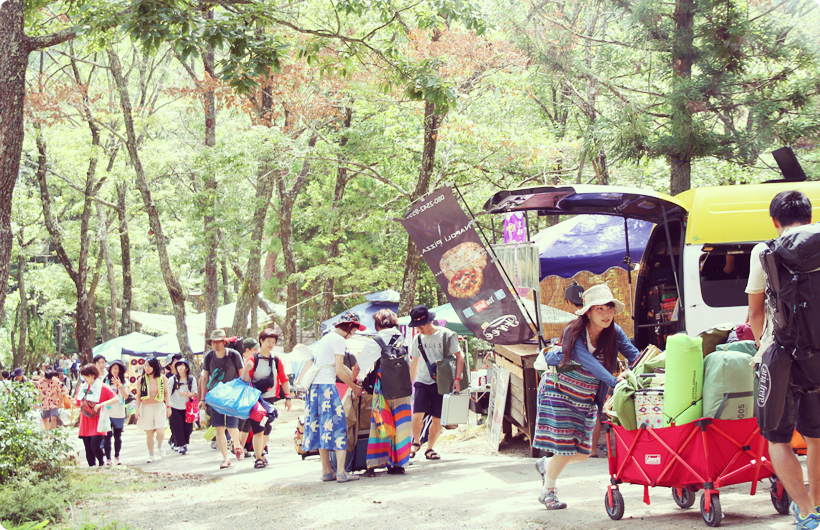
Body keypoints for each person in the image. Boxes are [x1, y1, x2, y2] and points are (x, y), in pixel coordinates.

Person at [746, 190, 820, 529]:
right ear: (809, 216)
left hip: (784, 353)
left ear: (774, 221)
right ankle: (818, 505)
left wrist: (762, 348)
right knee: (817, 435)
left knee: (777, 435)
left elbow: (756, 312)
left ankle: (806, 512)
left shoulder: (764, 251)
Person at [534, 284, 639, 510]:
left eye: (609, 308)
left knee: (582, 453)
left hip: (585, 398)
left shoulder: (615, 332)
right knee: (564, 448)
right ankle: (547, 492)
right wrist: (613, 380)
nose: (605, 314)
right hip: (559, 392)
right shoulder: (573, 332)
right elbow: (589, 363)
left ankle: (546, 465)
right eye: (599, 309)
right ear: (588, 312)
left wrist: (653, 366)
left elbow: (634, 355)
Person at [302, 310, 364, 483]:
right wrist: (354, 388)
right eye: (355, 329)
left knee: (323, 428)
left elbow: (338, 367)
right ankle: (342, 472)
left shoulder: (328, 337)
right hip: (327, 387)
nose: (355, 333)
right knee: (338, 426)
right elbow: (338, 370)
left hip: (315, 388)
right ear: (350, 326)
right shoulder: (339, 340)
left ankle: (327, 471)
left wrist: (355, 379)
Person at [407, 304, 464, 461]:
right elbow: (414, 363)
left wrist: (457, 379)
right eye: (416, 326)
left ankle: (430, 448)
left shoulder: (446, 335)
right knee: (417, 415)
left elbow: (460, 356)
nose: (418, 329)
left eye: (420, 326)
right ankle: (416, 442)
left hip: (443, 383)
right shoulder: (417, 339)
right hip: (422, 381)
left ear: (428, 322)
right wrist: (408, 386)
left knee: (437, 419)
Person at [360, 309, 412, 476]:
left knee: (381, 422)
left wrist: (357, 381)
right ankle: (399, 464)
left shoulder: (375, 341)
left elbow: (359, 366)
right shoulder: (404, 338)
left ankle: (375, 463)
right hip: (402, 386)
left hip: (382, 387)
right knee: (402, 424)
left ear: (377, 324)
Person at [242, 328, 291, 469]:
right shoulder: (252, 359)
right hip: (255, 400)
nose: (271, 344)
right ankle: (258, 458)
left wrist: (288, 397)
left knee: (267, 428)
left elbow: (284, 379)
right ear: (261, 341)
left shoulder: (276, 360)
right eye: (268, 341)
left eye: (273, 342)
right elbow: (245, 381)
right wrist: (246, 370)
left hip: (269, 400)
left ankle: (261, 453)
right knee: (258, 428)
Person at [198, 329, 245, 469]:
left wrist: (242, 393)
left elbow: (242, 375)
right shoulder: (208, 357)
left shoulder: (234, 355)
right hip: (215, 396)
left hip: (231, 395)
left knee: (232, 426)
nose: (216, 344)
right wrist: (202, 397)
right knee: (219, 427)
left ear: (224, 342)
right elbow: (205, 377)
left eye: (219, 341)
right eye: (214, 342)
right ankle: (225, 458)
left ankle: (237, 444)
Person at [75, 364, 118, 467]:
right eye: (83, 376)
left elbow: (115, 398)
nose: (85, 378)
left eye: (87, 376)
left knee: (94, 446)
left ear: (93, 375)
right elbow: (77, 402)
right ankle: (91, 468)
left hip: (98, 420)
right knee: (87, 447)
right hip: (85, 420)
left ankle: (101, 462)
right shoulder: (82, 387)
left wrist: (101, 404)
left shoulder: (102, 386)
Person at [134, 357, 170, 463]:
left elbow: (166, 393)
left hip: (159, 405)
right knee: (149, 432)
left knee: (160, 430)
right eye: (145, 366)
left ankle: (160, 445)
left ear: (154, 367)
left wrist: (169, 406)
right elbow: (138, 396)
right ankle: (151, 454)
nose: (147, 368)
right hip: (146, 407)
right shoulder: (141, 380)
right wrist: (137, 409)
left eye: (149, 366)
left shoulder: (162, 378)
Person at [102, 360, 130, 465]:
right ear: (110, 369)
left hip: (119, 412)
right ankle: (108, 459)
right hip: (107, 412)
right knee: (107, 436)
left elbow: (126, 396)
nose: (116, 371)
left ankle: (117, 456)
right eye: (114, 368)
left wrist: (119, 385)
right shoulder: (105, 381)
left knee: (117, 436)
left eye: (118, 368)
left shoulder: (125, 381)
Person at [237, 338, 260, 459]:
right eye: (255, 349)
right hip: (242, 395)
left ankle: (242, 446)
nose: (257, 351)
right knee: (242, 422)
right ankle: (238, 446)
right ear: (247, 350)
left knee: (247, 423)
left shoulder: (253, 360)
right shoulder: (241, 362)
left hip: (250, 394)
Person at [168, 358, 197, 455]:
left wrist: (185, 393)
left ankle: (177, 441)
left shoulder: (191, 379)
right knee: (178, 427)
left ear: (186, 368)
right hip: (175, 407)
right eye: (178, 366)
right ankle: (181, 445)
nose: (180, 368)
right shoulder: (173, 379)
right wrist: (167, 406)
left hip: (188, 408)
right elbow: (167, 393)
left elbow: (194, 393)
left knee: (188, 428)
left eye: (182, 366)